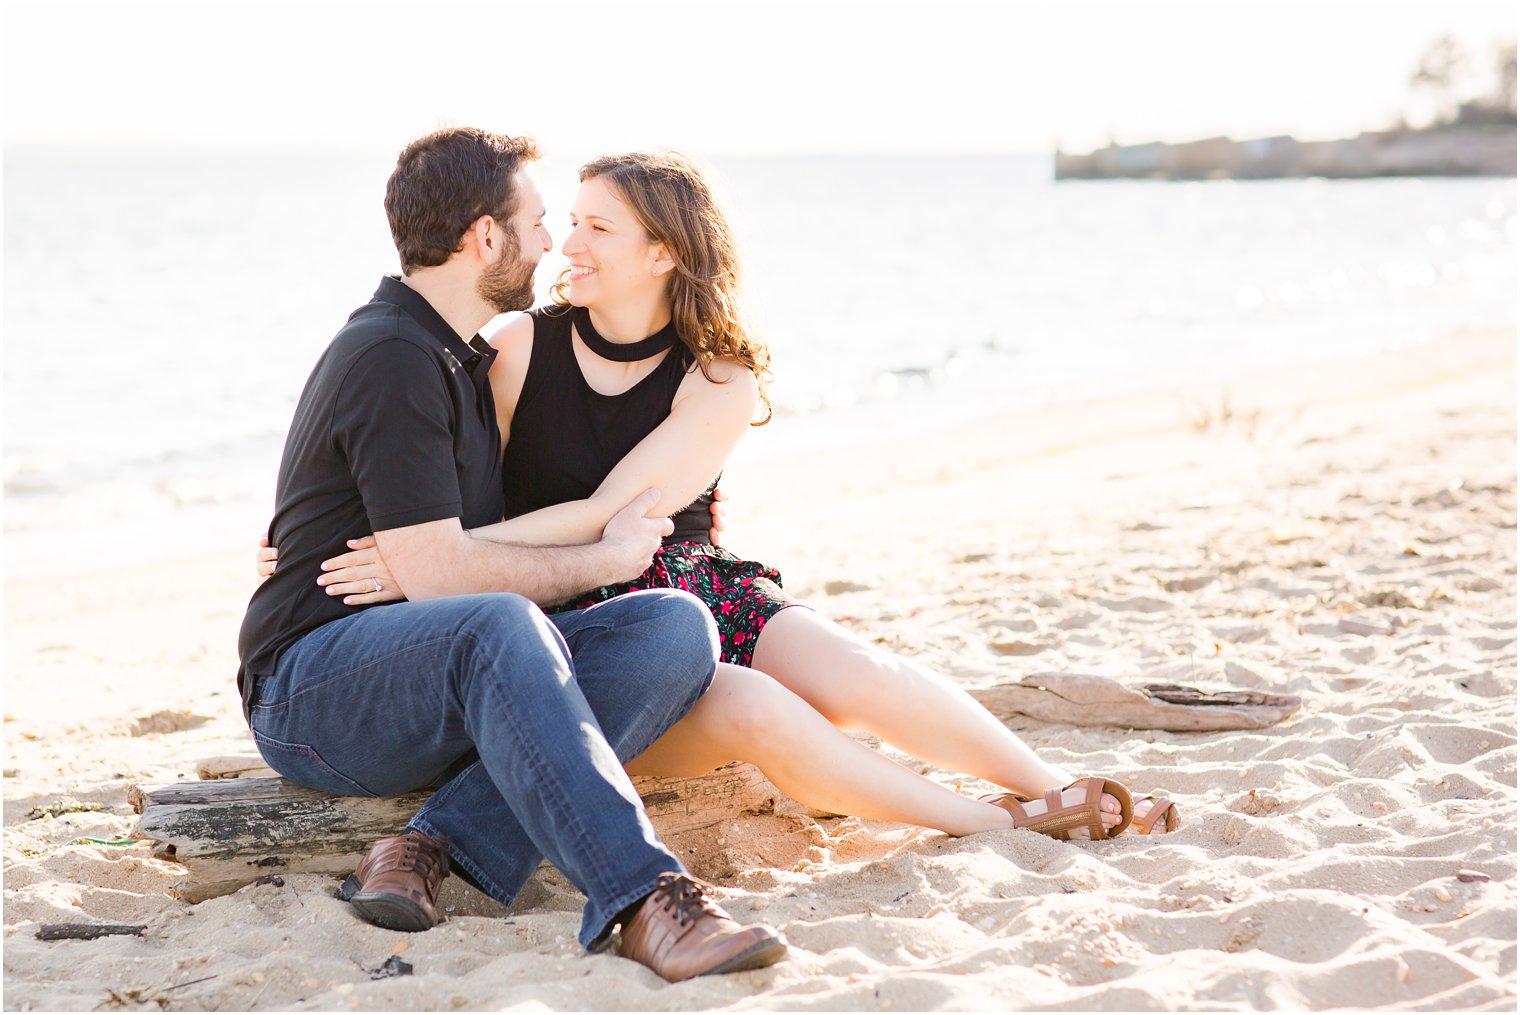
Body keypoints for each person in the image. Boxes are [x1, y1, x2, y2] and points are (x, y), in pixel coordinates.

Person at [267, 151, 1181, 842]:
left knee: (862, 673)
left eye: (595, 228)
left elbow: (611, 511)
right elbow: (425, 469)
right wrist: (374, 550)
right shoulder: (515, 348)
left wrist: (431, 560)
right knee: (759, 709)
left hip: (691, 578)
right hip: (566, 606)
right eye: (568, 221)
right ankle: (994, 826)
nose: (565, 246)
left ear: (663, 251)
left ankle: (1047, 784)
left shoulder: (719, 373)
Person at [238, 128, 787, 982]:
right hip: (312, 692)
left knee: (674, 629)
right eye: (537, 221)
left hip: (429, 678)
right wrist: (600, 559)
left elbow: (431, 536)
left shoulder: (464, 358)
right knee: (497, 619)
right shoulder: (391, 355)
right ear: (484, 238)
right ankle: (644, 898)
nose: (552, 242)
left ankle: (428, 845)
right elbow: (439, 575)